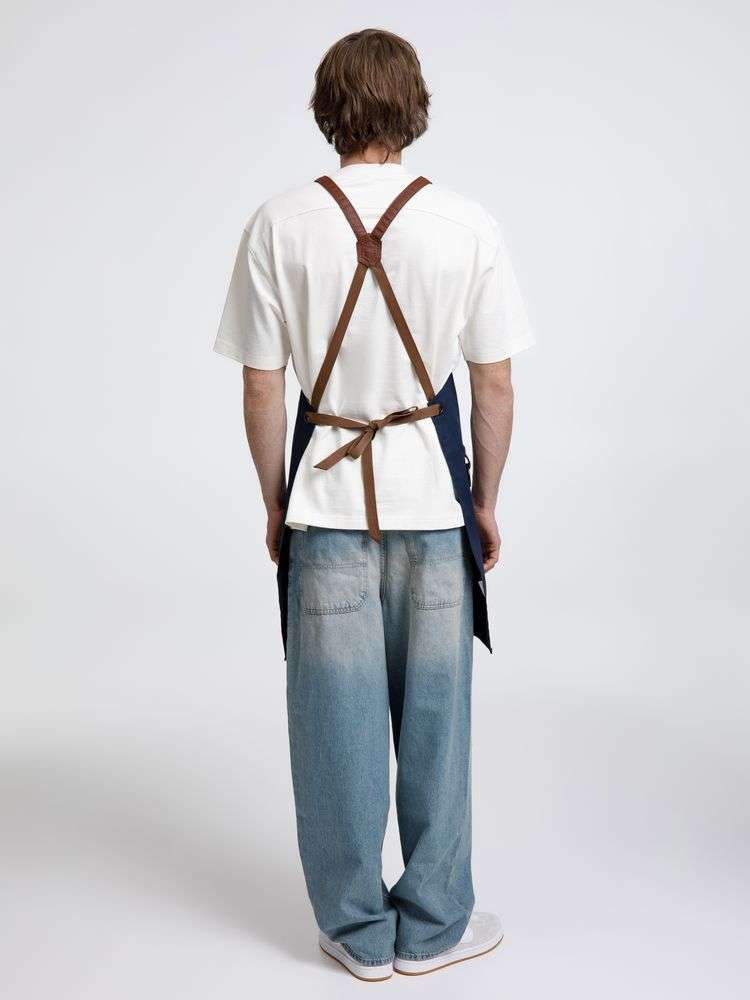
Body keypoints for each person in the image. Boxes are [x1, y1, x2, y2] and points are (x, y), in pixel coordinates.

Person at [214, 28, 533, 982]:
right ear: (414, 107)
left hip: (325, 510)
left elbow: (263, 386)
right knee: (437, 724)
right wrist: (484, 500)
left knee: (334, 729)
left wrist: (276, 502)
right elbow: (495, 384)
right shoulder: (467, 224)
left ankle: (357, 934)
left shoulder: (277, 223)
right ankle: (433, 927)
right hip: (433, 508)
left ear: (329, 109)